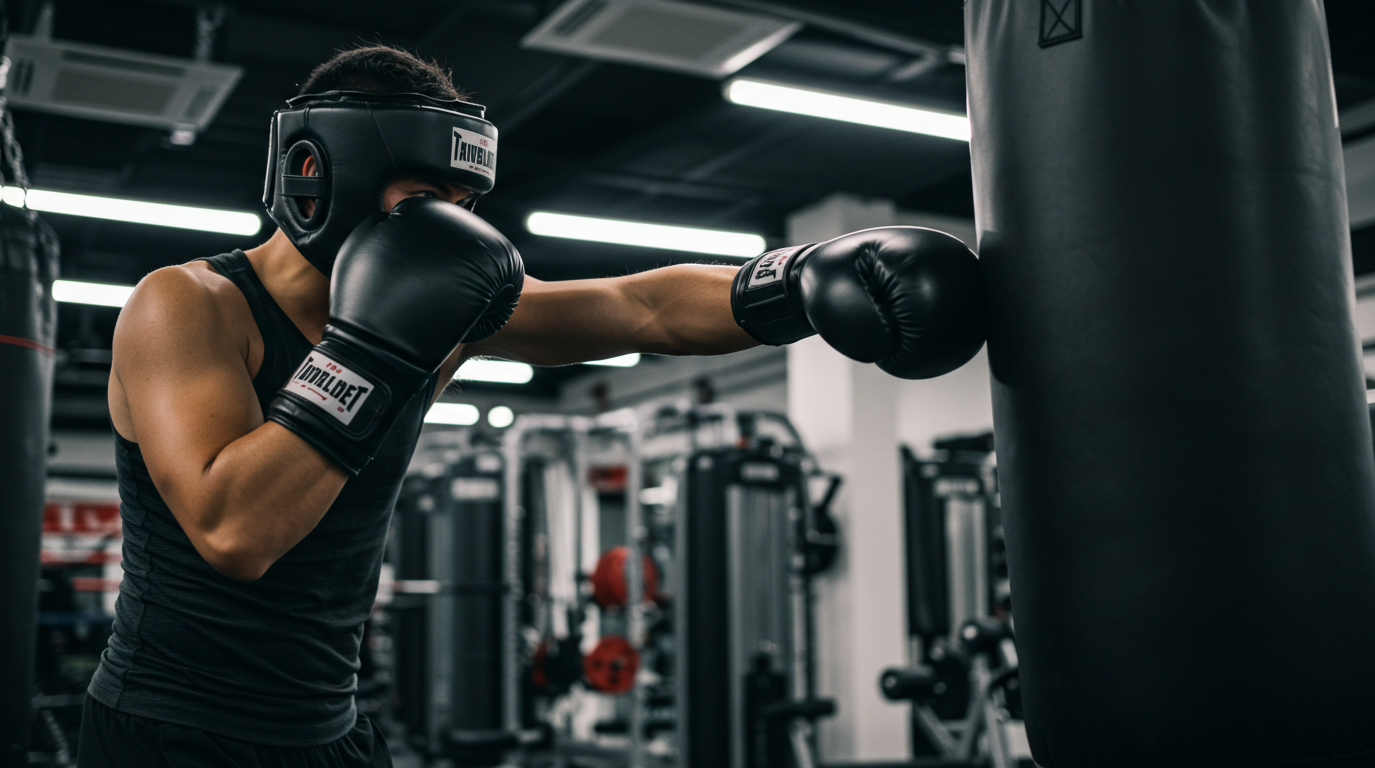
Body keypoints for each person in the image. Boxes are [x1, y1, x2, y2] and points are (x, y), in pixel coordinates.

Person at [75, 45, 985, 768]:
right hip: (170, 726)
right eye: (428, 200)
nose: (451, 231)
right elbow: (233, 530)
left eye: (465, 206)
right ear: (323, 173)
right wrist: (373, 345)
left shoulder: (445, 313)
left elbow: (641, 306)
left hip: (330, 725)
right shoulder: (189, 305)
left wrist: (794, 284)